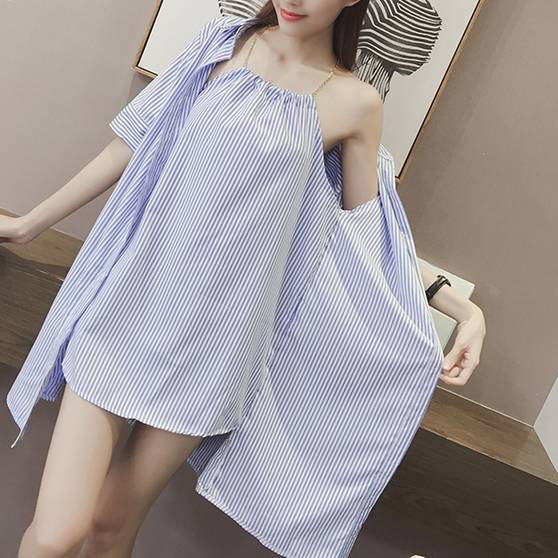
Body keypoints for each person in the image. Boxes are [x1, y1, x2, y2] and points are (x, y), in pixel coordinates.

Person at [2, 1, 486, 557]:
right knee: (57, 535)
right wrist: (28, 225)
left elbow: (370, 242)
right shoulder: (222, 44)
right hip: (127, 314)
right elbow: (131, 145)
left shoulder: (355, 104)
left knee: (112, 527)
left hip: (217, 351)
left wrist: (463, 309)